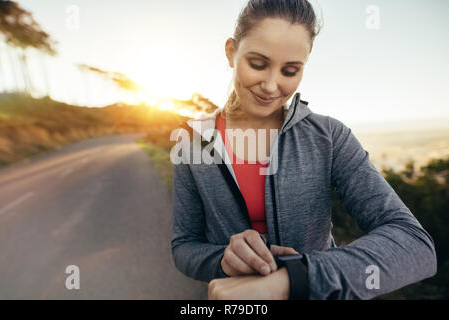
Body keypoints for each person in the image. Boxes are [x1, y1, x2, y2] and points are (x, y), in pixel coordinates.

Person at [170, 0, 437, 300]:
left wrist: (295, 277)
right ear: (231, 52)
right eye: (257, 64)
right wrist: (222, 259)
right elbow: (184, 246)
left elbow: (415, 245)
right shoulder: (193, 142)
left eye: (290, 70)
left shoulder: (329, 136)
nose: (271, 86)